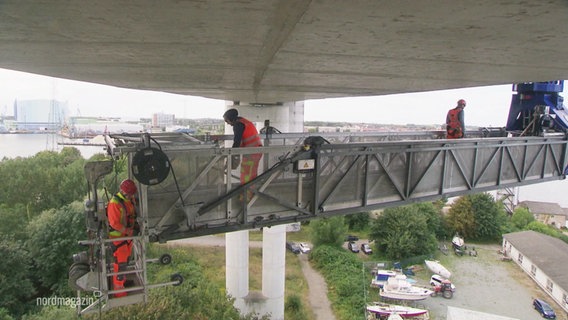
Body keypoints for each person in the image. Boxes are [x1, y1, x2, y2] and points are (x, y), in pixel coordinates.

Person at [107, 179, 138, 297]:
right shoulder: (115, 203)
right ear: (124, 192)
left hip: (126, 238)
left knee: (125, 262)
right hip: (119, 239)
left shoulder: (127, 200)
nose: (131, 196)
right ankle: (119, 291)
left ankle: (122, 282)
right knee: (121, 265)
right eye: (130, 194)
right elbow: (114, 223)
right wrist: (127, 231)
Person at [223, 108, 263, 186]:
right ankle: (247, 193)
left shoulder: (238, 125)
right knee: (248, 173)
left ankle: (248, 195)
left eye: (227, 121)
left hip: (252, 152)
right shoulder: (242, 122)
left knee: (248, 174)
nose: (227, 123)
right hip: (253, 151)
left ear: (232, 119)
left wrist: (232, 155)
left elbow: (237, 142)